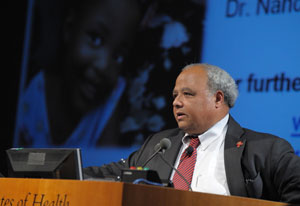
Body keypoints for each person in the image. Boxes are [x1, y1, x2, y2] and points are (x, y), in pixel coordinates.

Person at [84, 63, 300, 204]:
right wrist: (60, 170)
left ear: (218, 99)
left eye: (187, 94)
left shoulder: (266, 149)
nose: (176, 102)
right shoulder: (158, 144)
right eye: (175, 95)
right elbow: (113, 172)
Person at [13, 0, 144, 147]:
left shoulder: (110, 97)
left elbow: (109, 162)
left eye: (118, 56)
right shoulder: (31, 92)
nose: (103, 66)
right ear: (69, 27)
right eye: (95, 39)